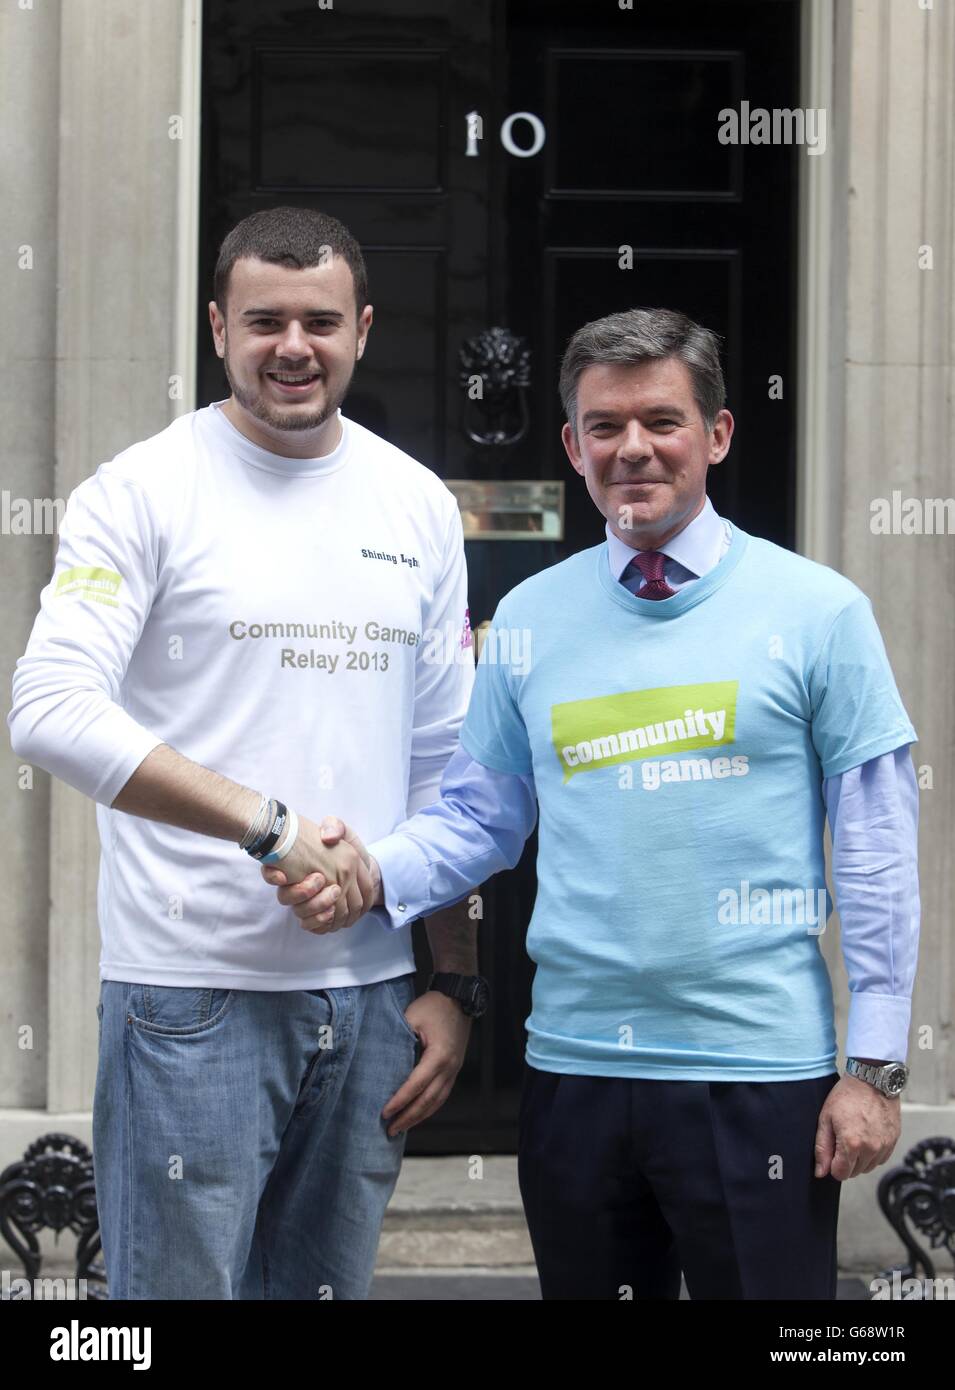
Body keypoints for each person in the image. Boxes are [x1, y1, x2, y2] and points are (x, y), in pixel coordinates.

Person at [266, 307, 920, 1301]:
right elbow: (479, 820)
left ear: (717, 434)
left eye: (661, 420)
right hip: (574, 1074)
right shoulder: (528, 617)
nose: (634, 448)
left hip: (756, 1076)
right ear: (572, 445)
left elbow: (875, 846)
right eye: (604, 426)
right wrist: (366, 869)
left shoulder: (819, 610)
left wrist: (871, 1070)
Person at [7, 205, 484, 1300]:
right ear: (217, 327)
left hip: (370, 1003)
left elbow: (444, 763)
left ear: (362, 327)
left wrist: (453, 978)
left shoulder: (414, 503)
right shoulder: (139, 492)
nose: (292, 347)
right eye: (262, 319)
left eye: (320, 320)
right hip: (189, 997)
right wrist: (269, 827)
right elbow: (47, 707)